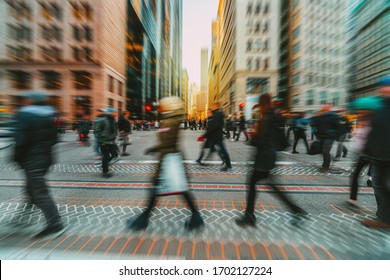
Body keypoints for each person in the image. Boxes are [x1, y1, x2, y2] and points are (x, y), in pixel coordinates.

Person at [128, 97, 204, 231]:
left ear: (169, 106)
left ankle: (143, 219)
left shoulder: (171, 121)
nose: (160, 107)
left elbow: (167, 142)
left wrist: (156, 148)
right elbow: (167, 141)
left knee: (160, 188)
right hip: (170, 158)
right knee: (179, 189)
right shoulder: (171, 119)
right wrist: (157, 148)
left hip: (169, 160)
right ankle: (196, 217)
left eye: (162, 105)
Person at [235, 93, 307, 227]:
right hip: (270, 156)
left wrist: (253, 138)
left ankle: (249, 216)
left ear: (262, 104)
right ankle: (296, 210)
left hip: (264, 157)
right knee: (272, 186)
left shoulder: (266, 119)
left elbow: (262, 140)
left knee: (252, 185)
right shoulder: (273, 115)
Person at [13, 90, 66, 240]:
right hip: (46, 157)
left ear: (30, 100)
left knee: (40, 192)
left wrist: (17, 158)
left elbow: (20, 140)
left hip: (31, 158)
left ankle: (55, 224)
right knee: (32, 188)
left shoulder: (25, 114)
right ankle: (23, 217)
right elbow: (56, 138)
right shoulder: (51, 114)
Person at [361, 76, 390, 228]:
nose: (385, 89)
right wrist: (368, 149)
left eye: (388, 86)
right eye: (383, 86)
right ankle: (383, 217)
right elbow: (375, 130)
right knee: (378, 185)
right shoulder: (380, 106)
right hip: (378, 155)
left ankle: (385, 219)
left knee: (385, 185)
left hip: (387, 154)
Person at [348, 110, 372, 206]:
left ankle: (371, 178)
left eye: (361, 113)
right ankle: (353, 198)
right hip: (361, 155)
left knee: (380, 180)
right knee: (354, 176)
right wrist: (353, 135)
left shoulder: (371, 126)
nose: (359, 115)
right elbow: (356, 140)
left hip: (370, 155)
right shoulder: (361, 125)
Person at [311, 105, 340, 173]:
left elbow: (338, 126)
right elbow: (314, 123)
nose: (324, 109)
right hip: (321, 136)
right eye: (323, 108)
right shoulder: (321, 116)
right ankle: (325, 164)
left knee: (325, 151)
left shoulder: (333, 116)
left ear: (329, 108)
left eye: (325, 108)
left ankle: (326, 167)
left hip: (329, 137)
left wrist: (334, 134)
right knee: (323, 151)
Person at [206, 102, 232, 171]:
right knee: (220, 150)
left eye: (213, 106)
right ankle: (227, 164)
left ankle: (228, 165)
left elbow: (216, 126)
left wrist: (206, 134)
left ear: (216, 106)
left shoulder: (218, 114)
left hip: (217, 136)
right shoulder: (217, 113)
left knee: (223, 150)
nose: (212, 108)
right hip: (216, 136)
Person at [94, 107, 118, 178]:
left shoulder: (113, 120)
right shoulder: (103, 120)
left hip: (111, 141)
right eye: (115, 112)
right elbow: (97, 130)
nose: (116, 113)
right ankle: (105, 172)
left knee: (114, 155)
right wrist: (101, 137)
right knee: (106, 156)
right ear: (110, 113)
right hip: (104, 141)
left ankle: (104, 164)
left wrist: (114, 136)